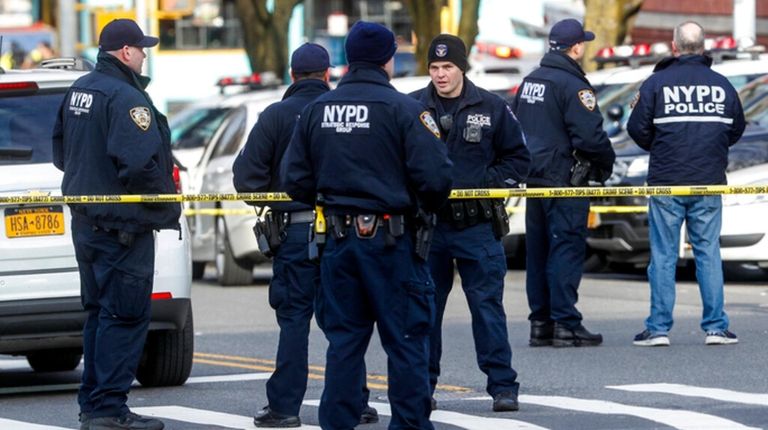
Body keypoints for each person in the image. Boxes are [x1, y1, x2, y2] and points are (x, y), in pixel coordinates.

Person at [281, 21, 453, 430]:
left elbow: (294, 180)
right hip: (394, 243)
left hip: (338, 244)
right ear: (387, 60)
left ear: (347, 59)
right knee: (407, 342)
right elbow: (437, 179)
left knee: (344, 344)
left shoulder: (317, 110)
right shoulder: (407, 111)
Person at [232, 43, 378, 427]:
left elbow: (246, 179)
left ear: (292, 76)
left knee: (294, 320)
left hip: (295, 233)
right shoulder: (343, 112)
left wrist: (276, 196)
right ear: (328, 74)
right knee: (344, 320)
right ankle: (356, 402)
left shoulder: (276, 116)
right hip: (344, 230)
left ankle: (284, 408)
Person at [52, 19, 179, 430]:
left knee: (100, 314)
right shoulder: (127, 98)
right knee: (123, 316)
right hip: (123, 228)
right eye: (141, 49)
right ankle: (107, 408)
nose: (144, 56)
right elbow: (141, 166)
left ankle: (94, 404)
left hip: (88, 225)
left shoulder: (79, 90)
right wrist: (163, 203)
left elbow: (61, 150)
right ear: (126, 52)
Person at [409, 34, 529, 412]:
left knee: (487, 307)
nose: (441, 74)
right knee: (426, 310)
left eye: (448, 67)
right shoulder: (412, 107)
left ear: (462, 67)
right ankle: (422, 387)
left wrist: (484, 186)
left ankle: (502, 385)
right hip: (429, 227)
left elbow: (518, 159)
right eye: (434, 67)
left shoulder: (491, 107)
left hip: (476, 225)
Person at [627, 21, 745, 347]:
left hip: (666, 181)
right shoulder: (722, 85)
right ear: (704, 47)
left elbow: (636, 128)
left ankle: (659, 328)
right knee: (708, 252)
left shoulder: (656, 83)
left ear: (674, 47)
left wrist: (662, 147)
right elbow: (736, 129)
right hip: (709, 181)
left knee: (663, 255)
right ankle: (716, 327)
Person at [512, 19, 615, 348]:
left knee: (539, 250)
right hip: (566, 178)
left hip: (536, 177)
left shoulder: (531, 80)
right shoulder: (573, 86)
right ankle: (565, 323)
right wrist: (605, 163)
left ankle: (540, 322)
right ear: (577, 47)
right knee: (565, 248)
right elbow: (590, 137)